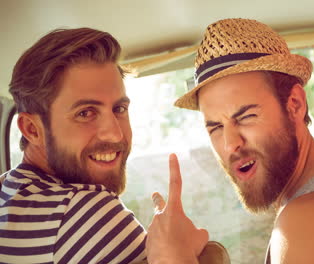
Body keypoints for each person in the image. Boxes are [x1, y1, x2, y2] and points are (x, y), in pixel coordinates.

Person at [150, 18, 314, 263]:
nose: (230, 144)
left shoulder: (311, 217)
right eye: (216, 127)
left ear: (295, 104)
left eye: (246, 116)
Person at [0, 27, 207, 263]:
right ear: (32, 129)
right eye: (85, 113)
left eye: (119, 109)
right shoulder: (83, 212)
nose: (115, 133)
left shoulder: (9, 191)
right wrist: (178, 255)